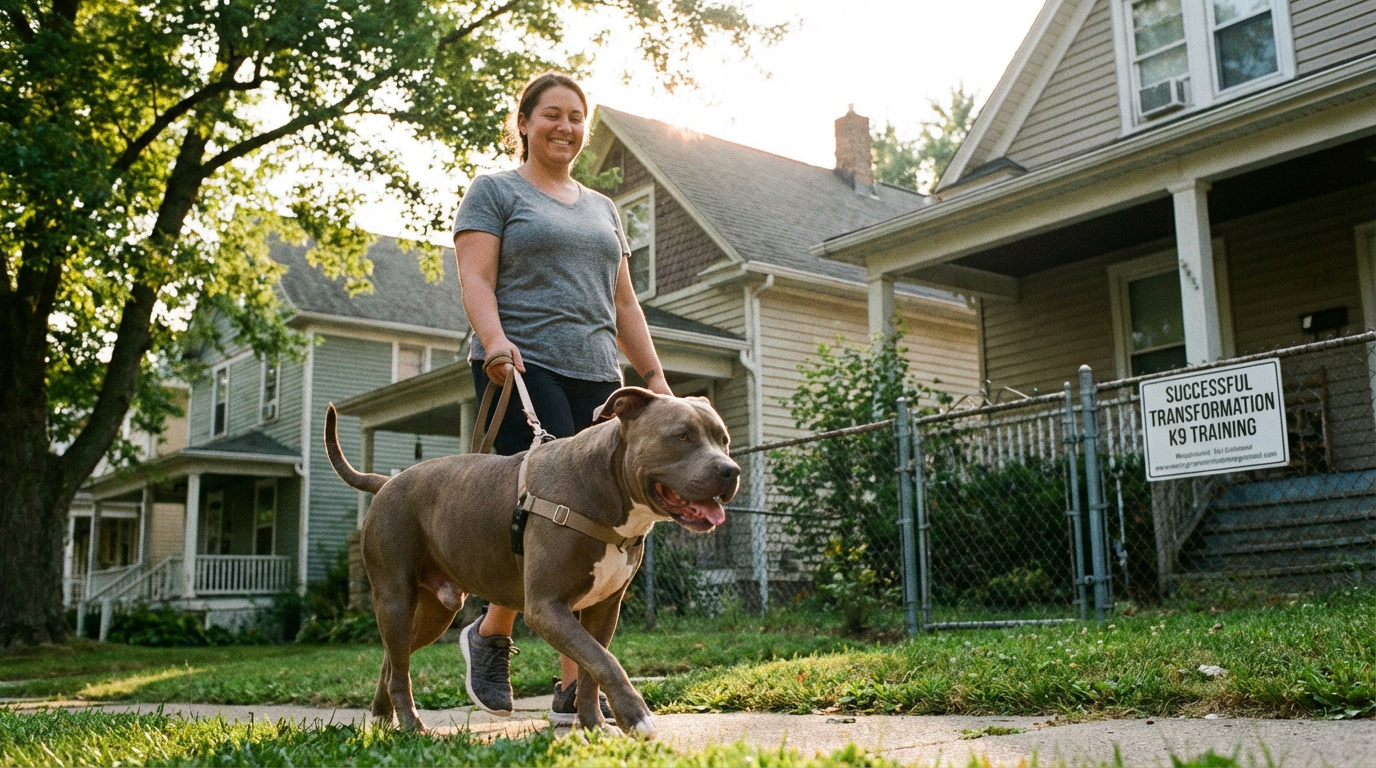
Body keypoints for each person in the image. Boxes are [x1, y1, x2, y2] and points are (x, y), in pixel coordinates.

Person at [452, 72, 673, 724]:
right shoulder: (495, 191)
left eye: (576, 117)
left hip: (597, 374)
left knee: (600, 521)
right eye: (551, 114)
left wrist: (653, 378)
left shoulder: (605, 208)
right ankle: (495, 635)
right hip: (522, 364)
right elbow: (475, 275)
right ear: (524, 121)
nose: (565, 127)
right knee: (553, 517)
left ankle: (566, 687)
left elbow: (623, 301)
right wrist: (494, 341)